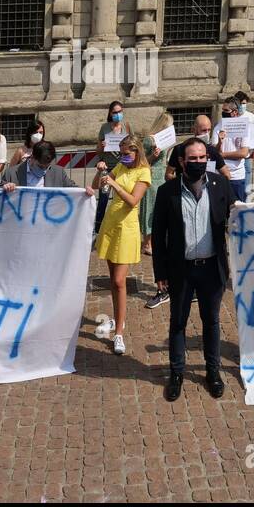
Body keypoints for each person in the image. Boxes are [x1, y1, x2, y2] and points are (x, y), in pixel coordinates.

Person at [152, 138, 235, 402]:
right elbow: (158, 235)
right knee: (178, 322)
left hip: (212, 268)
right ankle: (176, 373)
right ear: (182, 161)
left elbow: (239, 215)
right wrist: (160, 272)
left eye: (203, 158)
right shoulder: (167, 192)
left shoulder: (220, 184)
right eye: (193, 158)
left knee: (211, 321)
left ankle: (213, 372)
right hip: (181, 269)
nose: (199, 162)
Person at [88, 133, 150, 356]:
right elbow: (96, 186)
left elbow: (134, 200)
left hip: (127, 227)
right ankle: (117, 318)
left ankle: (120, 333)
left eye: (126, 154)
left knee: (119, 280)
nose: (123, 157)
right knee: (114, 283)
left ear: (136, 152)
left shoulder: (143, 171)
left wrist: (113, 183)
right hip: (112, 222)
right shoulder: (121, 168)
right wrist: (101, 171)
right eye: (121, 154)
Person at [95, 100, 129, 233]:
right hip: (107, 169)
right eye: (115, 112)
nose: (117, 114)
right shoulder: (105, 128)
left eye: (120, 111)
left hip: (123, 167)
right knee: (103, 198)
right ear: (110, 113)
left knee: (122, 197)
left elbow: (132, 145)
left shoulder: (126, 126)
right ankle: (98, 229)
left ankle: (118, 227)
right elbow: (98, 151)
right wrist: (101, 146)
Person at [213, 96, 254, 202]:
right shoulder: (218, 127)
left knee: (237, 209)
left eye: (226, 110)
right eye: (222, 110)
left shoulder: (243, 126)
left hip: (236, 177)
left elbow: (243, 152)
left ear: (235, 112)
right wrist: (219, 142)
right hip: (220, 175)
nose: (223, 112)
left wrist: (223, 155)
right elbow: (215, 152)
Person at [163, 114, 230, 182]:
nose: (207, 133)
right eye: (203, 130)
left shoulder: (212, 150)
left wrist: (213, 184)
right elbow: (168, 175)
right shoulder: (179, 149)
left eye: (209, 130)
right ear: (194, 130)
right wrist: (182, 181)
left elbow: (227, 175)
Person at [140, 112, 171, 256]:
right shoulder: (149, 140)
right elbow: (141, 160)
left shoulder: (165, 139)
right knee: (150, 209)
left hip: (162, 177)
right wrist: (153, 155)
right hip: (152, 177)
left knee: (160, 210)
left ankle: (157, 240)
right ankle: (147, 242)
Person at [1, 140, 76, 189]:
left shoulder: (59, 173)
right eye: (40, 166)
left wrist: (86, 190)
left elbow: (74, 190)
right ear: (32, 157)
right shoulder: (11, 173)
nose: (44, 170)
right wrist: (6, 188)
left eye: (47, 167)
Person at [233, 91, 254, 194]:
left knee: (247, 172)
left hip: (247, 153)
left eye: (244, 103)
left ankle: (246, 195)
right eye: (240, 103)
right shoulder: (232, 116)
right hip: (234, 153)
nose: (242, 106)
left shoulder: (251, 116)